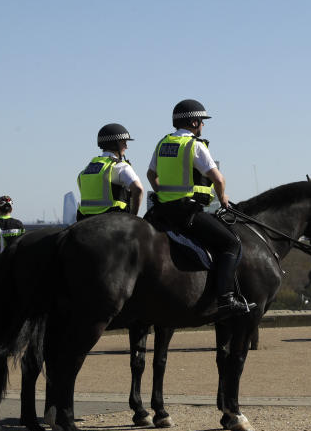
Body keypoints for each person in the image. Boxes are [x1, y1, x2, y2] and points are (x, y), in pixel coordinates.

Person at [147, 99, 252, 318]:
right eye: (202, 122)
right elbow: (218, 178)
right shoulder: (194, 145)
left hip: (162, 212)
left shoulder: (162, 143)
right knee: (231, 243)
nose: (203, 126)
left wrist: (163, 194)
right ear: (194, 122)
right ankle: (226, 299)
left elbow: (150, 175)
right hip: (187, 213)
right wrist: (223, 199)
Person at [77, 123, 145, 220]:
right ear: (115, 144)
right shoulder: (121, 166)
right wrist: (133, 217)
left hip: (83, 220)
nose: (126, 147)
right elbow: (138, 189)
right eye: (124, 142)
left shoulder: (85, 171)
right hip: (113, 219)